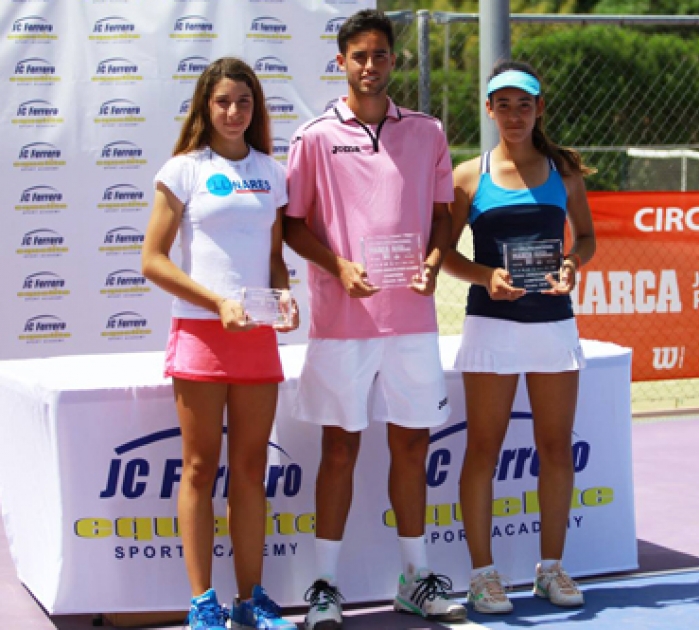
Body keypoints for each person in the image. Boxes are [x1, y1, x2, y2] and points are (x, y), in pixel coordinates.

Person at [282, 9, 465, 630]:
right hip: (344, 324)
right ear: (342, 63)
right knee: (340, 448)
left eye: (379, 55)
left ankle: (414, 579)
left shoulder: (427, 131)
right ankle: (325, 589)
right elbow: (292, 225)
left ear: (394, 60)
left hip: (411, 321)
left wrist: (436, 261)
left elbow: (443, 215)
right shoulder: (312, 138)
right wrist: (338, 266)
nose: (369, 66)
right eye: (358, 56)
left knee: (412, 445)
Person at [141, 57, 299, 630]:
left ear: (256, 109)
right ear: (205, 108)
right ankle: (203, 604)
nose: (234, 112)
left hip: (256, 338)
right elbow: (152, 260)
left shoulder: (272, 172)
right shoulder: (183, 169)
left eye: (244, 102)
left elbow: (275, 259)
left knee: (251, 470)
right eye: (223, 102)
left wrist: (283, 297)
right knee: (201, 469)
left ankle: (250, 600)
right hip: (202, 335)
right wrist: (216, 304)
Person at [442, 60, 597, 615]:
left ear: (539, 109)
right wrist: (488, 277)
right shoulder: (467, 176)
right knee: (483, 449)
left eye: (523, 104)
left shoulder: (565, 171)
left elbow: (586, 238)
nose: (513, 114)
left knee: (555, 449)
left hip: (553, 326)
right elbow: (446, 254)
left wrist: (574, 265)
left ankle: (550, 570)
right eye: (502, 104)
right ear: (488, 110)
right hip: (491, 327)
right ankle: (483, 577)